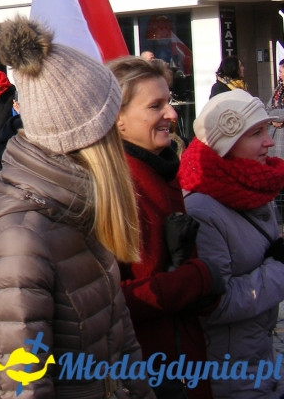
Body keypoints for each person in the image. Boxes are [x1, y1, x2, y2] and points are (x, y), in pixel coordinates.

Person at [0, 17, 151, 398]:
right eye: (110, 121)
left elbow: (120, 337)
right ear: (90, 136)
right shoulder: (21, 240)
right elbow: (24, 386)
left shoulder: (78, 209)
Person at [109, 56, 223, 399]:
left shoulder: (162, 173)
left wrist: (201, 286)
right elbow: (108, 303)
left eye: (169, 102)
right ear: (118, 119)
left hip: (184, 362)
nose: (172, 115)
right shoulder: (114, 190)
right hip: (146, 374)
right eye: (155, 105)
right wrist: (197, 280)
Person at [179, 90, 284, 399]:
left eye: (267, 130)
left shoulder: (255, 190)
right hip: (227, 374)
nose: (269, 141)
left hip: (259, 361)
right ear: (227, 143)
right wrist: (279, 268)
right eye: (255, 133)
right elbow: (215, 303)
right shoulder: (202, 209)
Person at [267, 58, 284, 159]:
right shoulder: (278, 89)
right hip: (273, 136)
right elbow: (266, 110)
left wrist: (273, 115)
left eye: (281, 72)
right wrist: (272, 120)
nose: (279, 75)